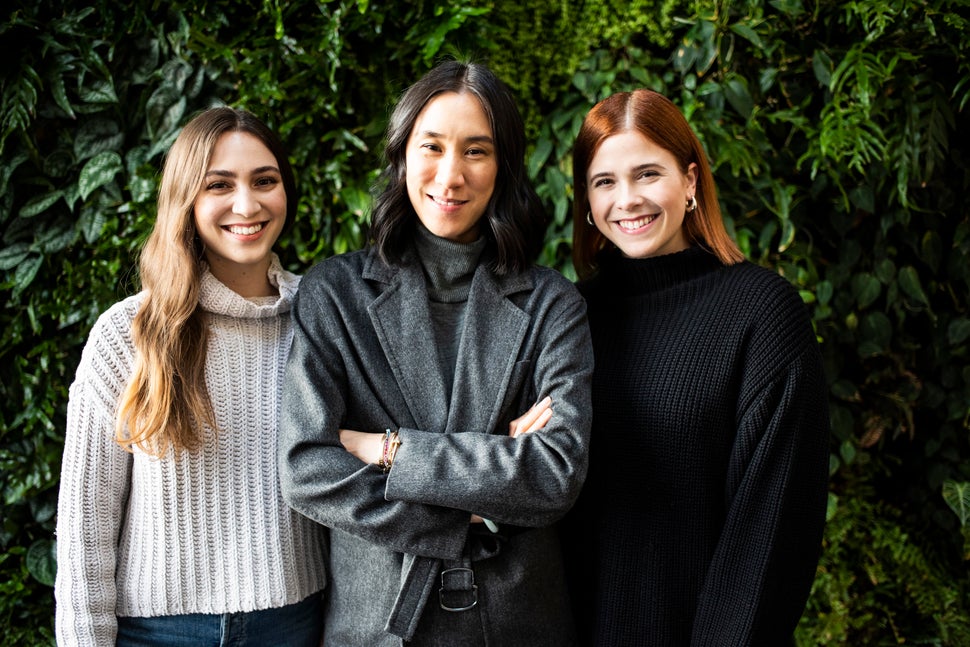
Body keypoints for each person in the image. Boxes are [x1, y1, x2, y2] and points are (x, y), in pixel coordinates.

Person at [278, 60, 593, 646]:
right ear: (402, 157)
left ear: (504, 167)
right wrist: (473, 507)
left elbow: (555, 472)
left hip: (518, 625)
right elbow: (308, 469)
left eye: (476, 151)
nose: (450, 176)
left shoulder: (552, 302)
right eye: (432, 147)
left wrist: (389, 450)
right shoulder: (335, 294)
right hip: (377, 629)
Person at [562, 88, 830, 646]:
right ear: (586, 202)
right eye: (605, 181)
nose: (627, 199)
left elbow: (772, 534)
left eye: (648, 174)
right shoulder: (565, 318)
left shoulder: (761, 313)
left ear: (689, 181)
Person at [54, 107, 328, 646]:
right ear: (187, 200)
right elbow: (85, 532)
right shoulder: (127, 334)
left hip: (297, 625)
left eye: (264, 181)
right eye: (218, 185)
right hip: (158, 633)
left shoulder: (322, 319)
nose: (246, 205)